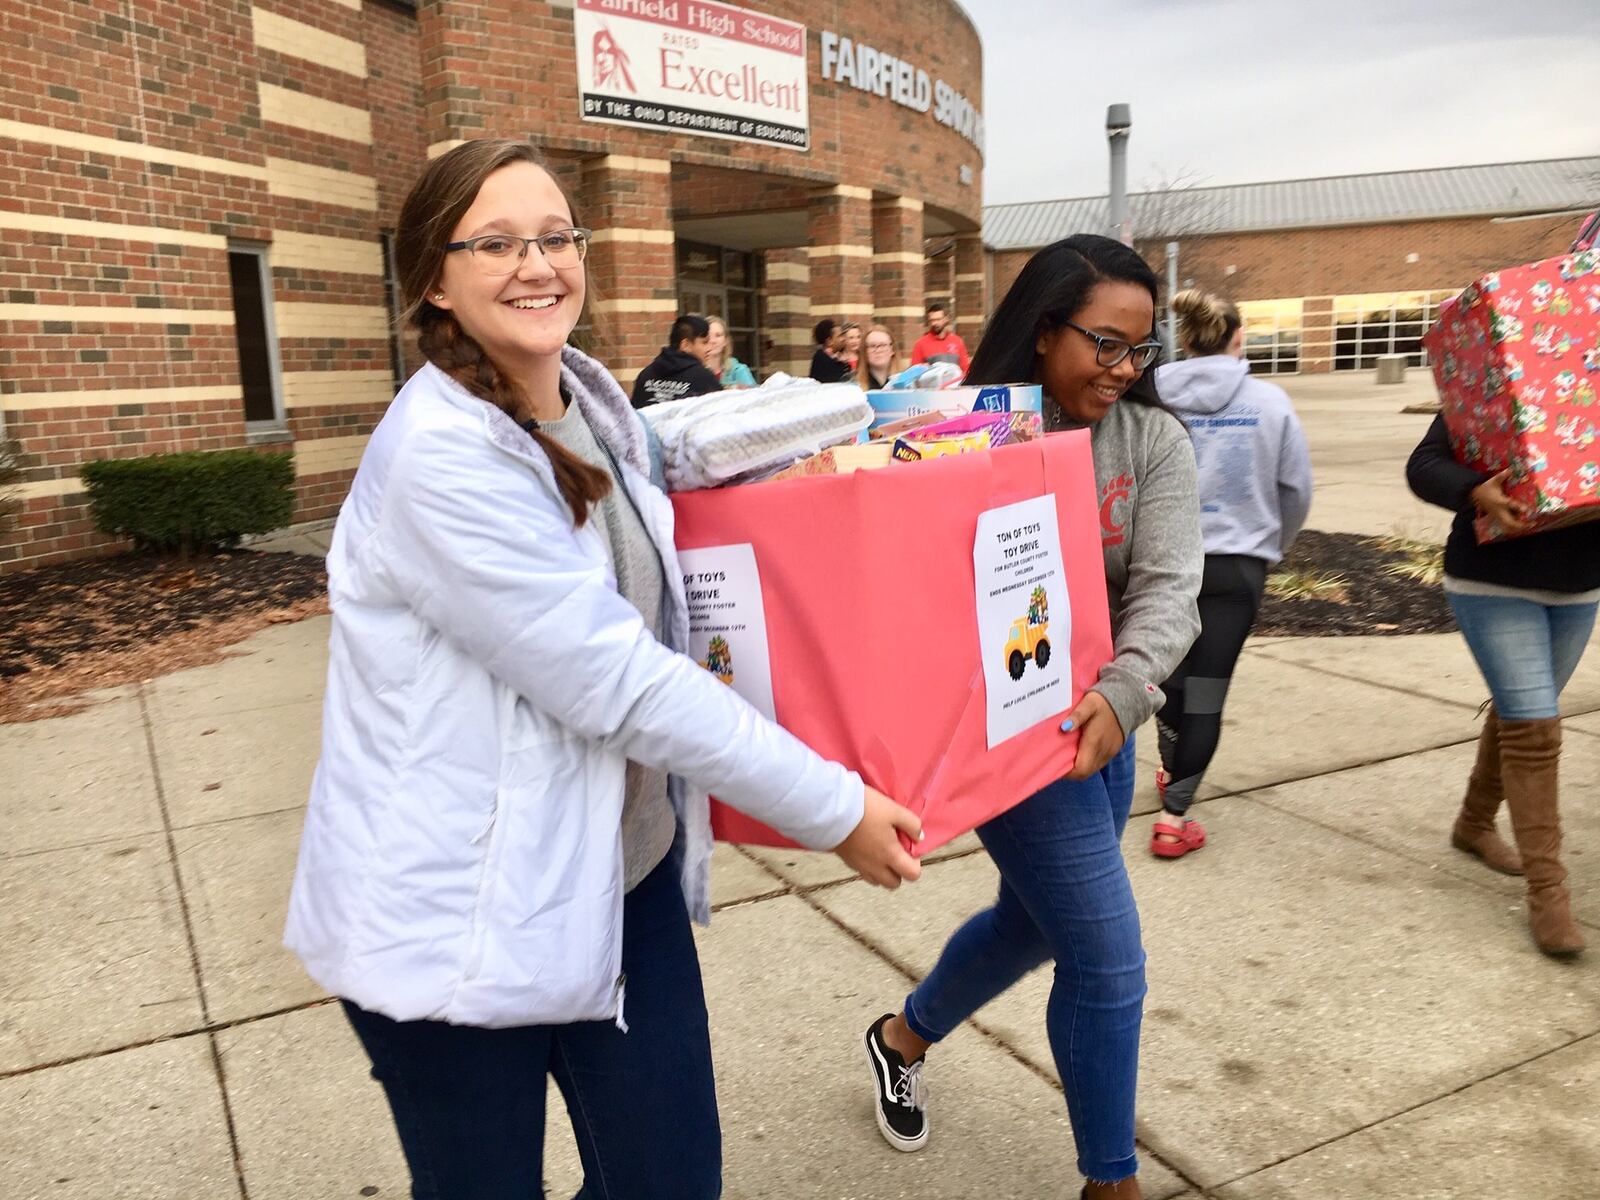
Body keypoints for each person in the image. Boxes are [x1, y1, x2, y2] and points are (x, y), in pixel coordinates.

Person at [284, 139, 925, 1200]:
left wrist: (885, 424)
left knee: (672, 1181)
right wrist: (834, 806)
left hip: (619, 878)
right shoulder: (441, 455)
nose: (537, 264)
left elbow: (690, 446)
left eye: (554, 237)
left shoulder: (586, 406)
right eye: (495, 242)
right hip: (459, 912)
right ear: (433, 281)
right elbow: (617, 680)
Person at [861, 235, 1202, 1200]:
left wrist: (1125, 692)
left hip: (1105, 730)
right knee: (1107, 961)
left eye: (1141, 349)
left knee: (1035, 924)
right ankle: (1111, 1183)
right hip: (1010, 737)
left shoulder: (1151, 442)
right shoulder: (958, 433)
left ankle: (901, 1037)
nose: (1124, 368)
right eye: (1104, 343)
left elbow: (1173, 589)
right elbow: (901, 582)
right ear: (1043, 329)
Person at [1407, 416, 1599, 957]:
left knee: (1522, 711)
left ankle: (1473, 823)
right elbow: (1424, 465)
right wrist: (1474, 490)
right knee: (1535, 724)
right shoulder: (1500, 372)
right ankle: (1549, 891)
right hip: (1490, 579)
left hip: (1580, 584)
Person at [1147, 289, 1313, 857]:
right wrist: (1274, 545)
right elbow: (1295, 489)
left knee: (1166, 682)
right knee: (1207, 694)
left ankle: (1172, 769)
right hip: (1237, 567)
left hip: (1163, 560)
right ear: (1237, 339)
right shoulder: (1271, 401)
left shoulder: (1154, 394)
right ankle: (1173, 819)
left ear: (1185, 339)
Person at [631, 312, 724, 407]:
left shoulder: (646, 375)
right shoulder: (704, 378)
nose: (709, 348)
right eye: (704, 342)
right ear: (685, 345)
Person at [909, 303, 971, 373]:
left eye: (938, 319)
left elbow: (965, 370)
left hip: (955, 383)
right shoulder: (920, 344)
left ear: (946, 319)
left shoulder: (957, 341)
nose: (934, 323)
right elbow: (913, 374)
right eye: (931, 320)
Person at [706, 315, 755, 389]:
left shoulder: (739, 371)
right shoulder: (694, 372)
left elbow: (754, 397)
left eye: (718, 335)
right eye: (708, 336)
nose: (713, 341)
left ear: (725, 341)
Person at [809, 318, 855, 383]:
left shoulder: (836, 356)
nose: (844, 339)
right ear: (829, 341)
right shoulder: (823, 360)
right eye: (840, 336)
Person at [857, 324, 899, 390]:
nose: (878, 350)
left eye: (883, 345)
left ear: (892, 349)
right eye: (872, 346)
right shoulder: (854, 386)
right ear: (864, 351)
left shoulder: (907, 383)